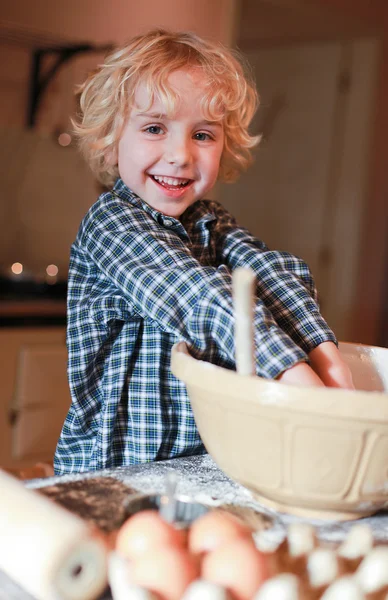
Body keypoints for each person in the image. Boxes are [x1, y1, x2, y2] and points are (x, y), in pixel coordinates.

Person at [54, 29, 354, 475]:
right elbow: (200, 296)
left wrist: (332, 368)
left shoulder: (211, 221)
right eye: (155, 128)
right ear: (110, 138)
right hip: (115, 469)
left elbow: (270, 274)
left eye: (203, 135)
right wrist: (297, 383)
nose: (180, 155)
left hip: (199, 464)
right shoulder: (113, 223)